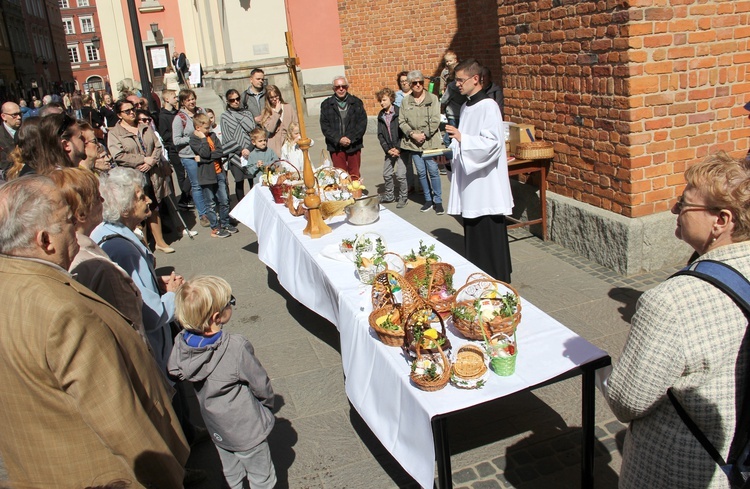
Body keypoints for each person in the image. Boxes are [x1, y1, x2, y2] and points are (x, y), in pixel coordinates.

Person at [0, 175, 189, 488]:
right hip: (98, 472)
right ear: (45, 240)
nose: (76, 226)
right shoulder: (63, 312)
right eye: (66, 221)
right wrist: (169, 478)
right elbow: (120, 421)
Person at [601, 152, 750, 489]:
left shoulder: (671, 302)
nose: (673, 209)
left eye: (684, 204)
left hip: (677, 469)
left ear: (721, 221)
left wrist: (601, 372)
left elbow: (627, 401)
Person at [168, 275, 277, 489]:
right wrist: (267, 405)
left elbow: (174, 370)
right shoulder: (235, 347)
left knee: (231, 471)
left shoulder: (181, 342)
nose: (232, 304)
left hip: (215, 424)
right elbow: (259, 383)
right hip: (246, 427)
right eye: (230, 302)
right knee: (262, 477)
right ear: (217, 316)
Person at [91, 167, 184, 372]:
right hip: (153, 355)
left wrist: (153, 282)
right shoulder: (125, 251)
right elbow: (152, 315)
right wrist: (173, 294)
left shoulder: (102, 231)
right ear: (124, 209)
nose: (149, 200)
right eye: (141, 198)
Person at [49, 167, 148, 344]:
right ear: (81, 213)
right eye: (97, 197)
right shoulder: (93, 264)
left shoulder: (87, 244)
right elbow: (132, 326)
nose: (103, 200)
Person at [445, 58, 513, 283]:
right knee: (473, 226)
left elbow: (493, 143)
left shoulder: (489, 106)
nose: (457, 85)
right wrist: (455, 144)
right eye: (455, 80)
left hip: (486, 182)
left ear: (476, 79)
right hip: (470, 179)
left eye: (461, 80)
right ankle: (478, 275)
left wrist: (463, 138)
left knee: (488, 226)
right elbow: (466, 140)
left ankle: (497, 276)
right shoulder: (465, 106)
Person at [107, 99, 174, 254]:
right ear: (119, 115)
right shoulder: (115, 133)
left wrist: (152, 161)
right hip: (133, 176)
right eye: (127, 111)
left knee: (154, 207)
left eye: (133, 109)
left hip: (152, 174)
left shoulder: (144, 127)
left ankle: (160, 242)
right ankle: (143, 246)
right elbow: (118, 155)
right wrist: (142, 159)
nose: (132, 113)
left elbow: (157, 146)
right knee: (137, 210)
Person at [399, 70, 445, 214]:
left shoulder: (433, 98)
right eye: (414, 83)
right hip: (413, 143)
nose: (418, 85)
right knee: (421, 173)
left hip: (430, 142)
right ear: (410, 85)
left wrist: (423, 134)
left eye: (420, 82)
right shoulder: (405, 101)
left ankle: (438, 201)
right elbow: (402, 121)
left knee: (433, 171)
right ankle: (428, 200)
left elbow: (435, 119)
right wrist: (412, 134)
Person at [190, 113, 237, 238]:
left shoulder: (213, 135)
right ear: (198, 127)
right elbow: (204, 152)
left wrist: (203, 159)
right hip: (206, 175)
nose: (209, 130)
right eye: (206, 128)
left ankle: (225, 223)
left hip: (219, 172)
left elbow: (220, 152)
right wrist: (203, 140)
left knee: (224, 200)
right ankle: (215, 228)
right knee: (210, 203)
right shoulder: (194, 139)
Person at [173, 89, 209, 227]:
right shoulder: (179, 118)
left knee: (208, 182)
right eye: (188, 100)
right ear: (183, 102)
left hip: (204, 152)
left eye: (193, 98)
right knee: (197, 185)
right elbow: (176, 140)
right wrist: (193, 137)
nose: (191, 102)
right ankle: (203, 214)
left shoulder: (201, 112)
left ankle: (210, 209)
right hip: (189, 155)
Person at [319, 76, 367, 179]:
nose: (341, 89)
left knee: (354, 174)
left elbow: (362, 124)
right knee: (340, 175)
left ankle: (356, 193)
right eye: (338, 87)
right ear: (333, 89)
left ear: (347, 87)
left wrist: (350, 138)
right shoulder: (326, 105)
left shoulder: (356, 103)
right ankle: (343, 194)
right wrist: (339, 139)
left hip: (354, 145)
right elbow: (325, 127)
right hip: (336, 146)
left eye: (343, 86)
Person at [220, 88, 256, 203]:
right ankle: (242, 205)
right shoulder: (225, 116)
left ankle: (254, 203)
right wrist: (241, 150)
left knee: (252, 179)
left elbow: (255, 133)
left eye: (237, 99)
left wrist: (249, 148)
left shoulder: (248, 113)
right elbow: (227, 137)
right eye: (232, 100)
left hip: (250, 151)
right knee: (239, 181)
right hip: (236, 154)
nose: (235, 101)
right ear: (228, 102)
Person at [160, 89, 192, 210]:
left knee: (190, 173)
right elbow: (164, 134)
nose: (176, 99)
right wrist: (176, 134)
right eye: (174, 97)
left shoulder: (177, 113)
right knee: (180, 175)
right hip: (174, 149)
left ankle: (186, 196)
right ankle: (184, 199)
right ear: (167, 99)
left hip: (183, 147)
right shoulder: (163, 116)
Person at [376, 87, 407, 207]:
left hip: (401, 150)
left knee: (400, 175)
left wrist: (398, 148)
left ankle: (403, 197)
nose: (382, 103)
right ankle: (390, 195)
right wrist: (388, 149)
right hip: (389, 150)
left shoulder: (399, 112)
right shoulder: (381, 115)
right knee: (387, 173)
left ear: (391, 99)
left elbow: (404, 132)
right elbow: (380, 135)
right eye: (380, 101)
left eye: (384, 100)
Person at [259, 85, 297, 157]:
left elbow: (296, 123)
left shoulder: (288, 107)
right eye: (271, 98)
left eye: (276, 96)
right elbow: (270, 129)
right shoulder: (266, 112)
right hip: (275, 146)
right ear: (268, 99)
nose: (275, 99)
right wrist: (276, 113)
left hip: (290, 143)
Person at [0, 101, 22, 172]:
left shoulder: (26, 130)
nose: (19, 117)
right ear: (4, 116)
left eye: (19, 113)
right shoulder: (1, 135)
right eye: (14, 115)